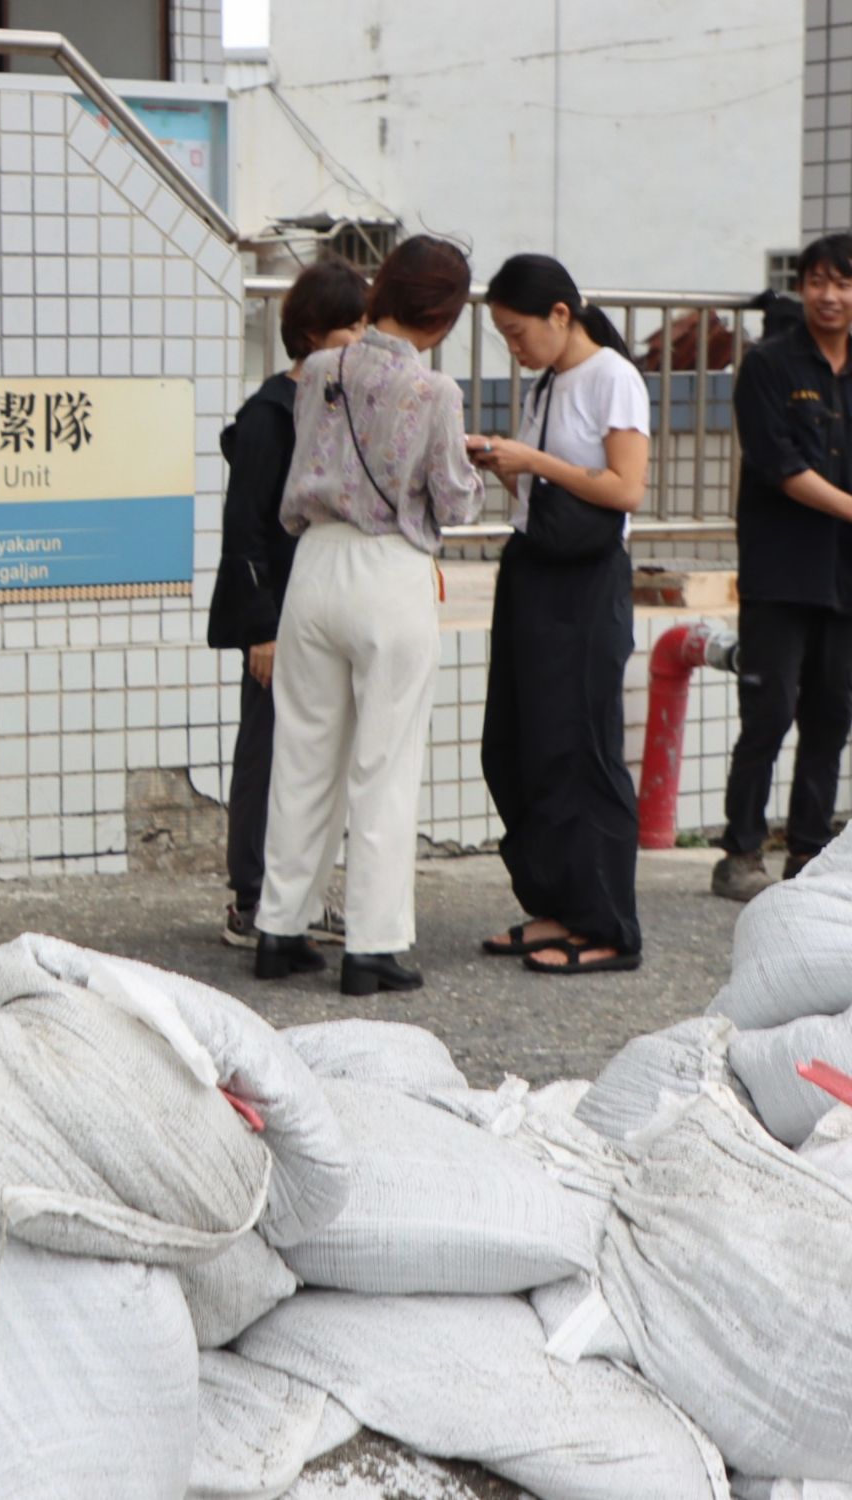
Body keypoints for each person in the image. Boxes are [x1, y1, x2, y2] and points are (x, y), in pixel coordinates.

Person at [253, 235, 485, 997]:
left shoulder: (319, 368)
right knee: (383, 766)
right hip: (390, 575)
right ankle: (372, 946)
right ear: (445, 318)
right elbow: (451, 502)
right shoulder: (437, 395)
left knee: (302, 757)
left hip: (313, 567)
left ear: (381, 289)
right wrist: (476, 470)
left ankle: (279, 930)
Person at [467, 254, 649, 975]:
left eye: (518, 332)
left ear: (560, 316)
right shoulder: (549, 382)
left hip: (586, 582)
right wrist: (508, 461)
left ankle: (607, 924)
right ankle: (556, 905)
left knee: (582, 749)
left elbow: (625, 488)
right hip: (534, 567)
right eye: (503, 336)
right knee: (518, 743)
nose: (514, 347)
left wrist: (533, 462)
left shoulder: (613, 377)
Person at [207, 257, 368, 949]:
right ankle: (252, 899)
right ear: (313, 331)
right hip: (279, 612)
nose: (363, 339)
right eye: (353, 325)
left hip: (325, 605)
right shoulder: (272, 412)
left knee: (315, 758)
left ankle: (294, 897)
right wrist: (260, 629)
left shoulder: (338, 404)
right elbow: (245, 527)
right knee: (268, 751)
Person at [709, 233, 852, 902]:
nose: (829, 295)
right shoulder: (769, 365)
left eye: (843, 283)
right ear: (802, 287)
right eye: (818, 281)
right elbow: (782, 467)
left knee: (832, 715)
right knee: (768, 713)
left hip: (844, 575)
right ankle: (740, 852)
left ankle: (809, 854)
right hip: (781, 571)